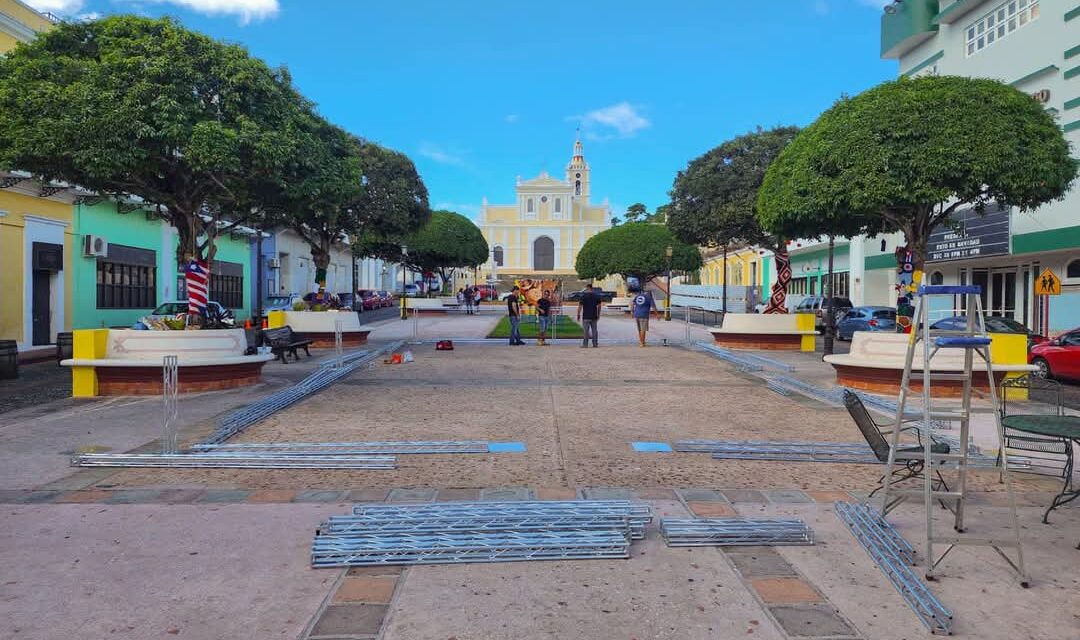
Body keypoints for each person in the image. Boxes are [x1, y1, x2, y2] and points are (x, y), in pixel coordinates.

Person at [576, 284, 602, 348]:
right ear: (592, 288)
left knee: (586, 331)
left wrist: (578, 314)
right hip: (594, 315)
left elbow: (580, 306)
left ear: (587, 288)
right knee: (594, 331)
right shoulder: (596, 296)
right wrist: (598, 314)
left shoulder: (583, 296)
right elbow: (599, 306)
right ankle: (595, 344)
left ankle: (585, 344)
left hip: (586, 316)